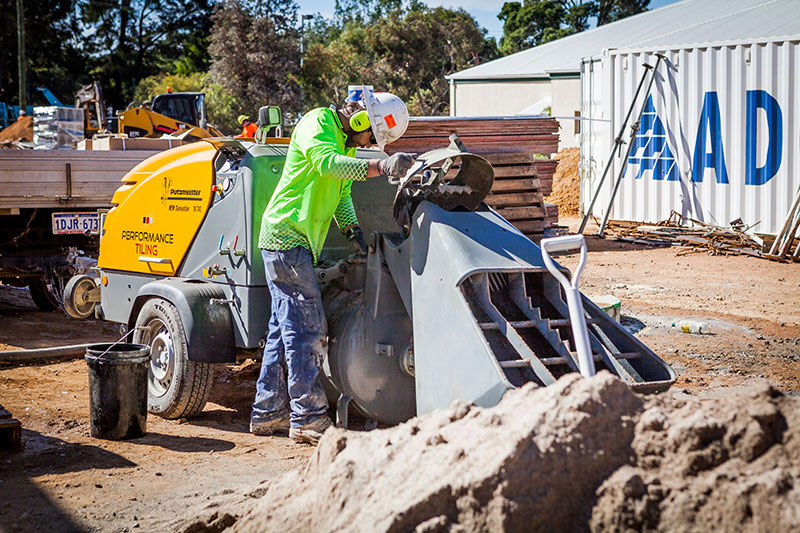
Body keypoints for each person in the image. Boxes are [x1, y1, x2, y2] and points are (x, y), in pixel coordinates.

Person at [251, 89, 414, 445]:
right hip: (285, 237)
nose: (370, 141)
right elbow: (328, 164)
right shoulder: (318, 123)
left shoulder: (346, 144)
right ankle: (307, 418)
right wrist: (383, 165)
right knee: (308, 329)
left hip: (297, 241)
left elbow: (341, 194)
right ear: (359, 120)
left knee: (283, 330)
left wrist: (354, 231)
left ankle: (268, 411)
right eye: (371, 133)